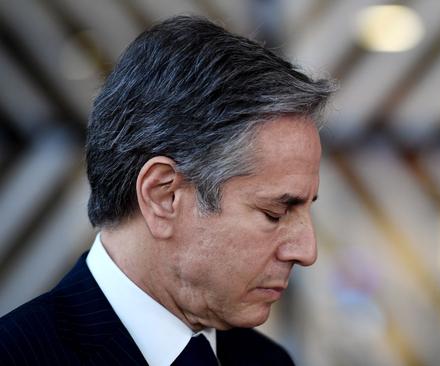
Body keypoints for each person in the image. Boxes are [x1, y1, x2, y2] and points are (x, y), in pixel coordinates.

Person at [0, 15, 334, 365]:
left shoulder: (267, 361)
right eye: (275, 213)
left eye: (307, 207)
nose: (306, 251)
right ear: (163, 196)